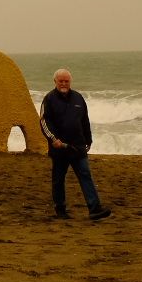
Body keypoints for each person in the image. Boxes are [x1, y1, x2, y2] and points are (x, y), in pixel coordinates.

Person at [40, 68, 112, 222]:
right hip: (59, 148)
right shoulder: (49, 99)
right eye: (61, 81)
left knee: (86, 175)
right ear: (55, 82)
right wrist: (54, 139)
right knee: (58, 179)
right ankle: (60, 210)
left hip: (77, 147)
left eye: (66, 81)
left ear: (70, 82)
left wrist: (88, 140)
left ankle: (95, 209)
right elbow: (44, 122)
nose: (64, 84)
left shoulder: (78, 98)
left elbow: (85, 121)